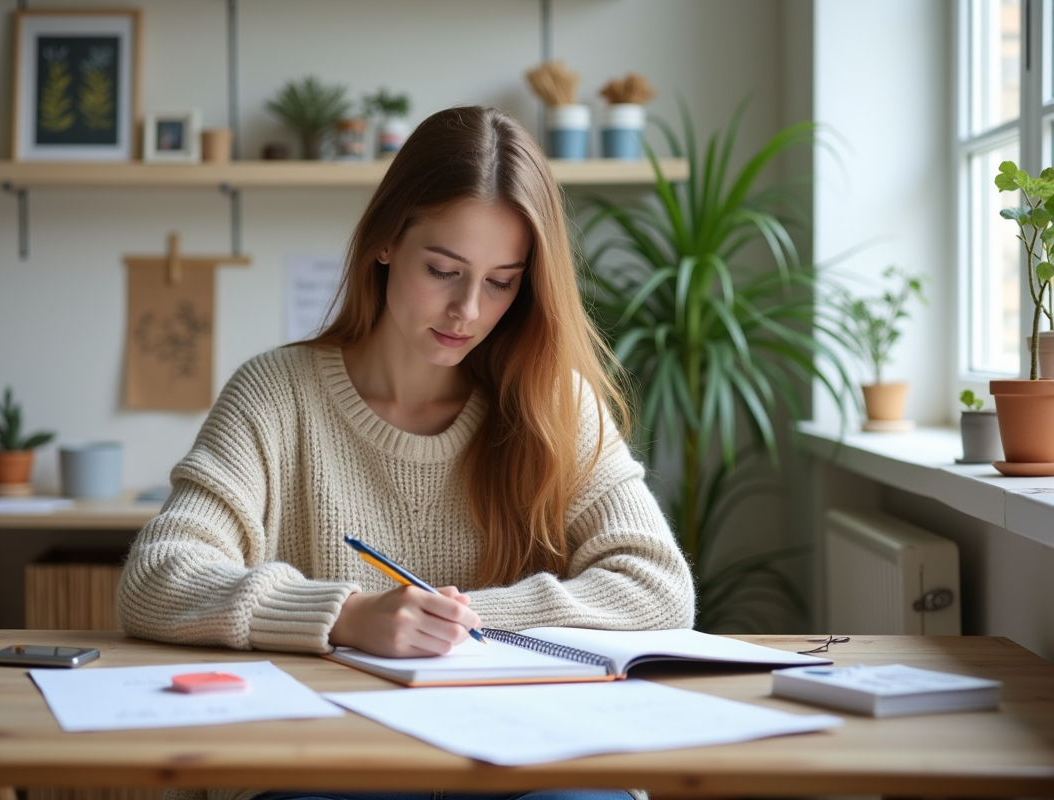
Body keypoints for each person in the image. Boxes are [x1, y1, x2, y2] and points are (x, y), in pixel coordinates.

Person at [117, 105, 695, 800]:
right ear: (387, 240)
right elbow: (158, 577)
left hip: (522, 755)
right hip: (330, 759)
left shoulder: (555, 402)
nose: (468, 311)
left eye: (501, 281)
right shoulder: (276, 394)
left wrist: (462, 623)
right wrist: (348, 616)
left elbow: (659, 589)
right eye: (444, 269)